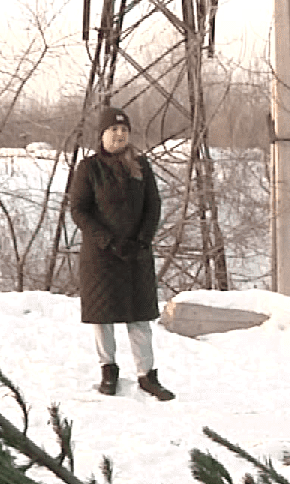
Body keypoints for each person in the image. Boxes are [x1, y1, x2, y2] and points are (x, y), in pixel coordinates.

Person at [69, 105, 175, 401]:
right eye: (113, 130)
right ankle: (108, 370)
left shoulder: (141, 166)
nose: (119, 135)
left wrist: (142, 241)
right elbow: (79, 209)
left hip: (136, 254)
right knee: (103, 318)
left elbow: (153, 206)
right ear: (102, 134)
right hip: (101, 255)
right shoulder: (89, 168)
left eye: (124, 130)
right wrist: (106, 240)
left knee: (139, 317)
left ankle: (147, 375)